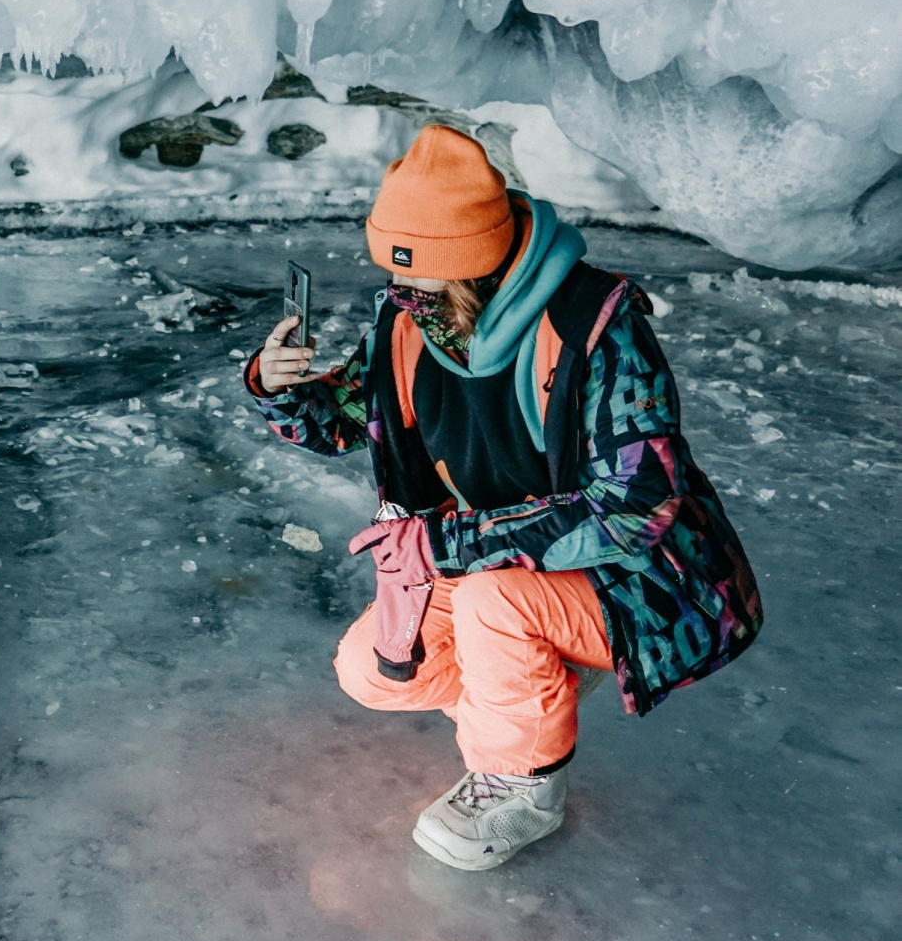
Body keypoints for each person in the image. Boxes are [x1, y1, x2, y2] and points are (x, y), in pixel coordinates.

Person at [242, 124, 762, 871]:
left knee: (494, 602)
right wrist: (278, 386)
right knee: (373, 672)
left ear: (472, 265)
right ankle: (526, 681)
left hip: (648, 583)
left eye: (420, 281)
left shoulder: (599, 325)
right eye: (396, 277)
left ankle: (521, 786)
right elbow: (345, 421)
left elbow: (637, 506)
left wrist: (451, 545)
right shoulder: (410, 319)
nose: (401, 296)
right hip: (486, 558)